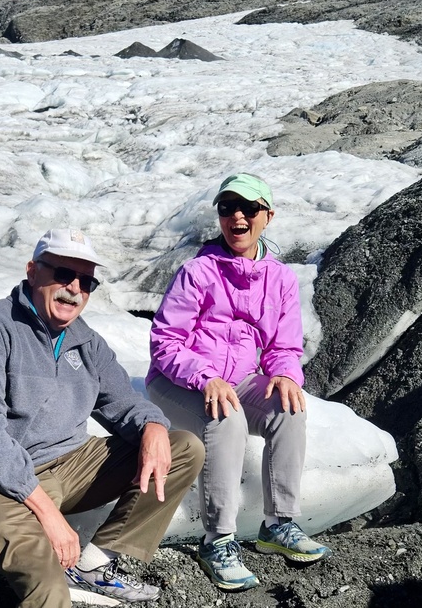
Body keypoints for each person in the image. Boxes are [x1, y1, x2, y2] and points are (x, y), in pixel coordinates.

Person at [0, 228, 205, 608]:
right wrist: (47, 514)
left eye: (87, 281)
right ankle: (57, 575)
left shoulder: (86, 341)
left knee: (183, 447)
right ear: (33, 271)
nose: (75, 288)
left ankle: (94, 565)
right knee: (49, 593)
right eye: (64, 274)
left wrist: (152, 426)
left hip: (69, 466)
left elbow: (123, 399)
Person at [145, 173, 330, 592]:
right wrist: (205, 376)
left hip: (241, 380)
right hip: (178, 381)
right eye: (227, 208)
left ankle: (278, 524)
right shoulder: (197, 272)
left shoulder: (281, 279)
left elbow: (284, 346)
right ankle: (218, 540)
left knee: (288, 408)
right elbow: (165, 342)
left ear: (267, 215)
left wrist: (284, 374)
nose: (237, 216)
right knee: (224, 417)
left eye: (248, 208)